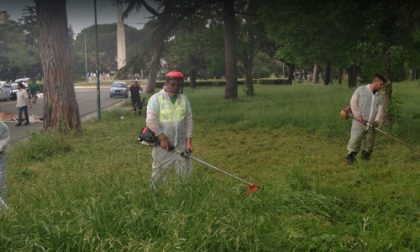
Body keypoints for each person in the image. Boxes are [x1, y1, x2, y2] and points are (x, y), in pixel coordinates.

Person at [146, 71, 193, 189]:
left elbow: (188, 120)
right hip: (163, 145)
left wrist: (189, 142)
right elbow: (150, 121)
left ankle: (183, 195)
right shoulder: (156, 99)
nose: (176, 87)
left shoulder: (184, 99)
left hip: (181, 144)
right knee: (159, 172)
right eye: (173, 84)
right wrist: (162, 138)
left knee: (184, 173)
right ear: (166, 83)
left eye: (178, 85)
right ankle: (155, 196)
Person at [346, 73, 387, 164]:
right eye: (381, 84)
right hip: (359, 121)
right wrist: (357, 115)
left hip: (371, 123)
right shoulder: (361, 90)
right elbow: (353, 102)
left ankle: (366, 158)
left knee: (369, 141)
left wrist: (377, 121)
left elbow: (380, 110)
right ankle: (351, 157)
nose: (382, 86)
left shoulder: (380, 96)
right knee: (355, 139)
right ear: (375, 82)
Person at [0, 120, 10, 209]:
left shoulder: (3, 127)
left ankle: (3, 209)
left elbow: (2, 145)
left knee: (1, 183)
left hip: (0, 162)